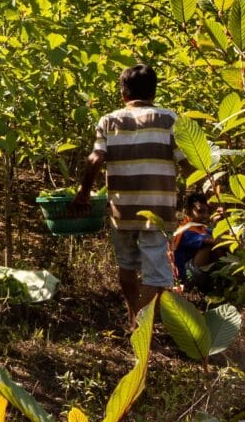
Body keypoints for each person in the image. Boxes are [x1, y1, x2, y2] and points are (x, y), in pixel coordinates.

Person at [73, 63, 185, 329]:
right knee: (156, 274)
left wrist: (83, 193)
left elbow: (96, 157)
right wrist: (205, 193)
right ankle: (142, 327)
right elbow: (187, 162)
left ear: (123, 94)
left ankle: (135, 318)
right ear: (154, 93)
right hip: (157, 210)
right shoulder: (170, 120)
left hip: (121, 208)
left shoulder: (109, 121)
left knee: (126, 265)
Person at [172, 192, 226, 293]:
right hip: (186, 277)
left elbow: (221, 237)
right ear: (188, 212)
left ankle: (219, 283)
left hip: (196, 272)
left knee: (219, 248)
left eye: (207, 212)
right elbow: (211, 241)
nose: (205, 215)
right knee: (209, 247)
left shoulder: (202, 229)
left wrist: (223, 222)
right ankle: (202, 286)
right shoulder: (185, 231)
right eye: (200, 212)